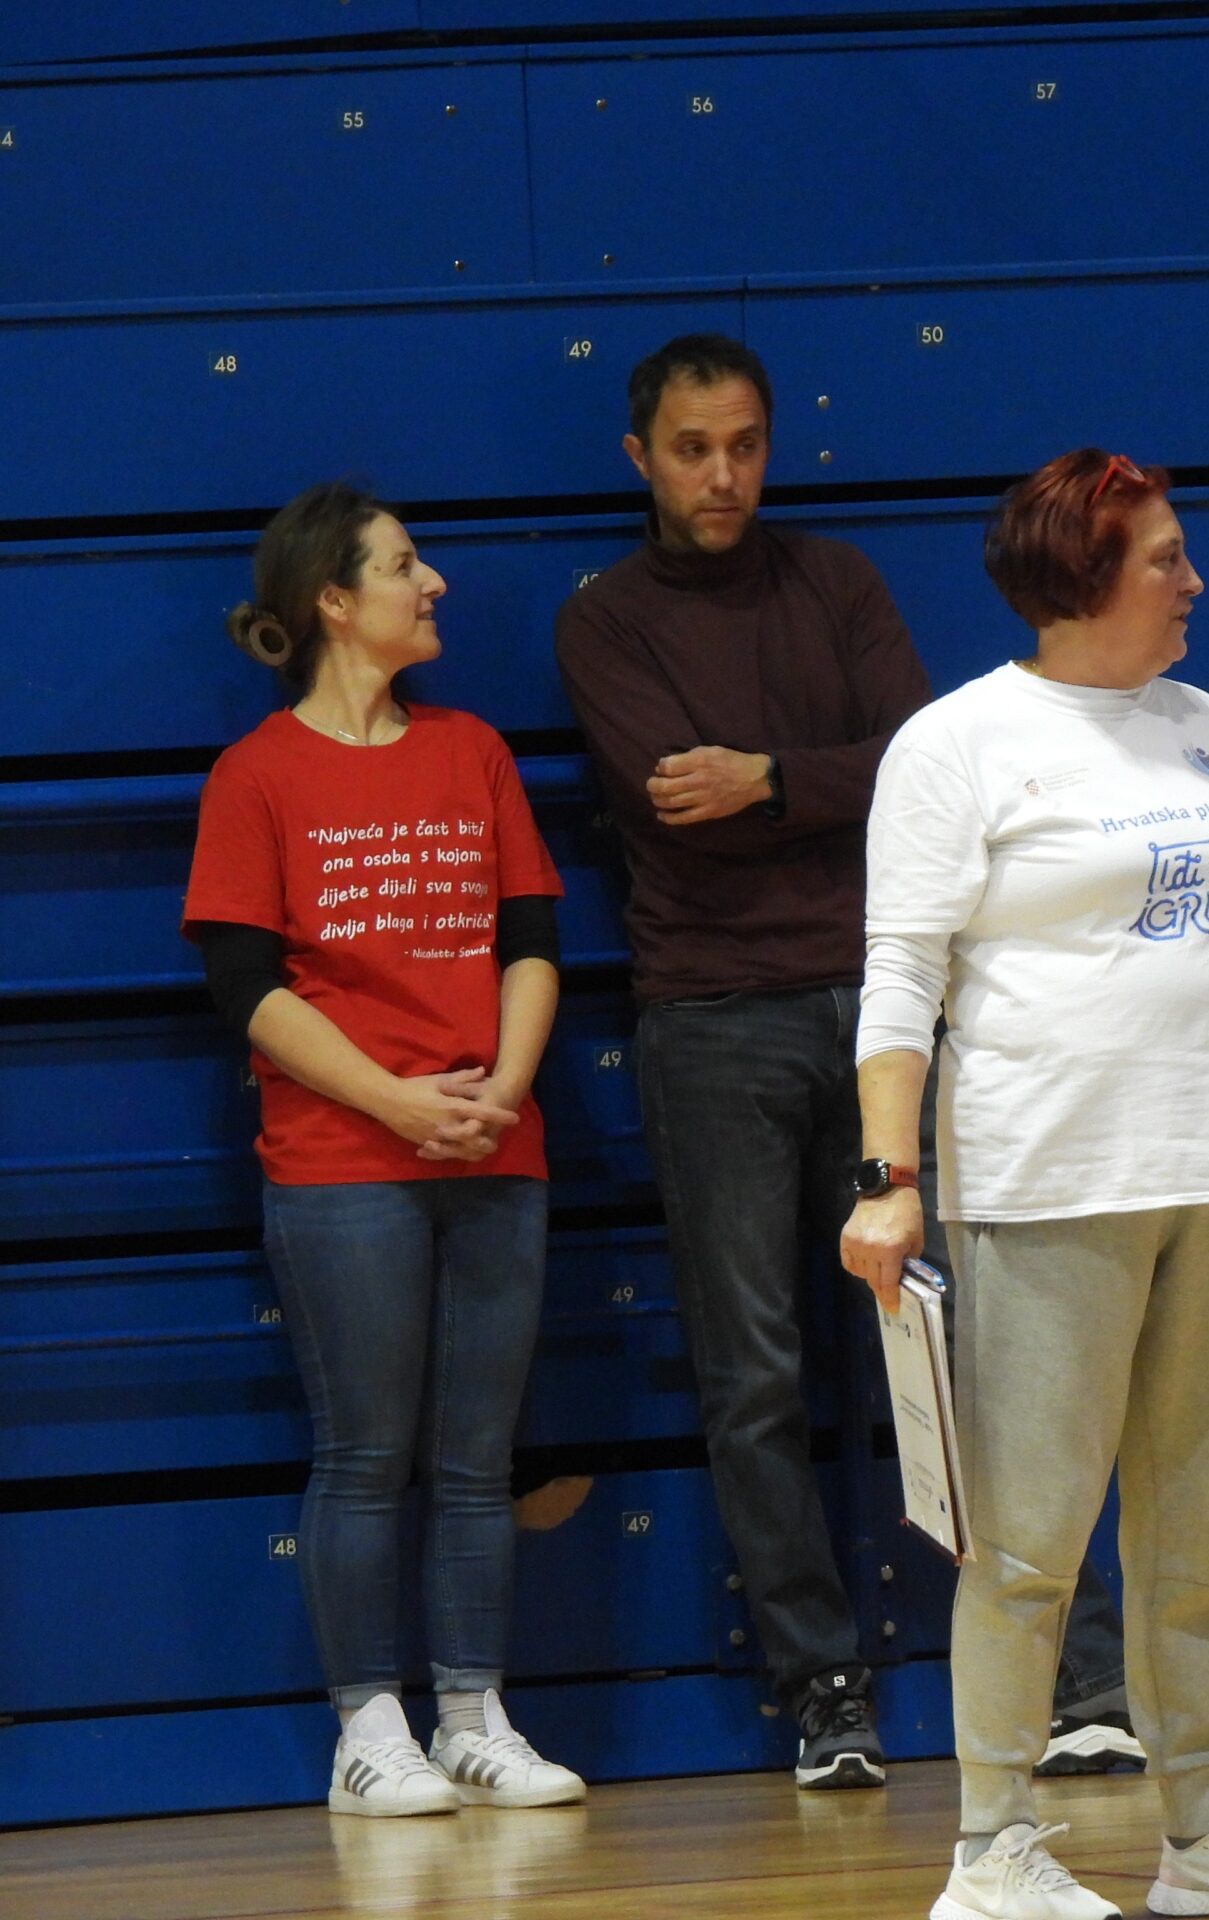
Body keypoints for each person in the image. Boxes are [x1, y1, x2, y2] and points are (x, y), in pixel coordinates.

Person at [551, 335, 1162, 1789]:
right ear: (641, 457)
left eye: (745, 446)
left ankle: (1077, 1679)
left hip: (884, 1002)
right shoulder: (606, 620)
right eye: (693, 450)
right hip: (711, 1021)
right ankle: (825, 1690)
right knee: (755, 1375)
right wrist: (823, 785)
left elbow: (918, 767)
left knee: (966, 1354)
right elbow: (675, 802)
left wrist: (766, 777)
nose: (723, 476)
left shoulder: (837, 583)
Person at [841, 450, 1209, 1920]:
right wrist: (890, 1177)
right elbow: (901, 976)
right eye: (1164, 558)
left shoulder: (1200, 725)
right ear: (1083, 579)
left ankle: (1203, 1838)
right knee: (1027, 1543)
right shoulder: (959, 744)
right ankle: (992, 1850)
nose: (1195, 580)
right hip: (1049, 1185)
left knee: (1195, 1542)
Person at [183, 482, 585, 1817]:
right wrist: (400, 1104)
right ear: (333, 602)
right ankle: (368, 1731)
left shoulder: (473, 750)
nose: (436, 584)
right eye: (407, 565)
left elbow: (532, 941)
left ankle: (473, 1715)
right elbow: (247, 988)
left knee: (477, 1458)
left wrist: (501, 1090)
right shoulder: (256, 776)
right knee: (365, 1453)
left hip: (493, 1147)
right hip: (343, 1164)